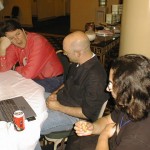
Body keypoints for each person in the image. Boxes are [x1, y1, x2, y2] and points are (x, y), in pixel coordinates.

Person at [34, 31, 109, 149]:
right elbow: (67, 82)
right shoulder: (77, 62)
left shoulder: (96, 77)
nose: (64, 54)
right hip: (61, 100)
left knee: (30, 127)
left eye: (66, 52)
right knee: (32, 96)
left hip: (74, 116)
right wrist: (55, 93)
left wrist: (57, 107)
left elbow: (87, 113)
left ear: (78, 53)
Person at [74, 54, 150, 150]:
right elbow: (108, 120)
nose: (107, 88)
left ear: (126, 90)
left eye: (110, 83)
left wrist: (104, 135)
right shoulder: (130, 101)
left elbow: (107, 129)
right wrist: (92, 127)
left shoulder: (137, 138)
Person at [0, 19, 64, 93]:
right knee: (9, 87)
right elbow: (3, 69)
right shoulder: (13, 45)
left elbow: (28, 74)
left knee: (19, 91)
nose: (17, 40)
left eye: (18, 34)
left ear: (23, 31)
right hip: (34, 78)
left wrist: (16, 69)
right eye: (11, 38)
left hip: (53, 80)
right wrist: (2, 49)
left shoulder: (38, 41)